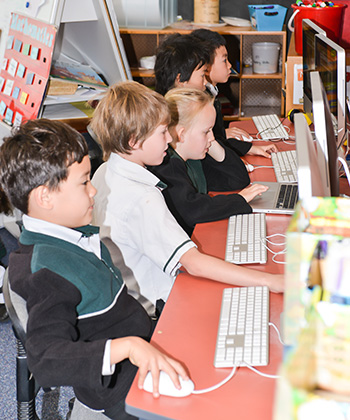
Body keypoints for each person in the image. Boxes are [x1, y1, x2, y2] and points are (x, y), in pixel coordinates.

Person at [0, 119, 189, 420]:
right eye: (84, 182)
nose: (94, 191)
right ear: (44, 197)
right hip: (119, 388)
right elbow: (45, 360)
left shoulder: (69, 234)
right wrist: (129, 347)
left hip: (141, 344)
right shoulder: (45, 270)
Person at [91, 80, 284, 315]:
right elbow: (193, 263)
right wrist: (272, 281)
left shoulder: (103, 172)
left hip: (126, 298)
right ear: (134, 140)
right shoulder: (142, 196)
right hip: (157, 308)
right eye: (162, 132)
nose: (169, 139)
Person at [154, 31, 277, 192]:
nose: (206, 84)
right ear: (180, 80)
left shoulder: (180, 125)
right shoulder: (175, 147)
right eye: (202, 75)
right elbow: (236, 179)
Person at [149, 87, 271, 236]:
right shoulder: (167, 167)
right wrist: (240, 199)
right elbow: (194, 210)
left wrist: (209, 142)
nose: (212, 137)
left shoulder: (193, 158)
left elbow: (238, 179)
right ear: (182, 134)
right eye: (206, 131)